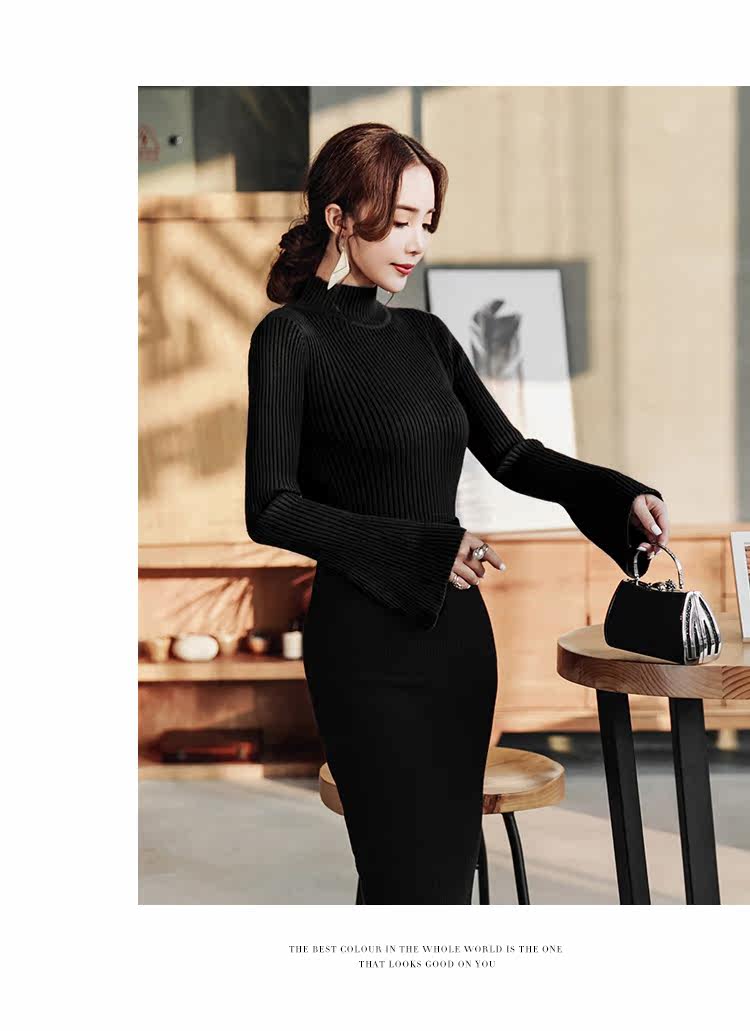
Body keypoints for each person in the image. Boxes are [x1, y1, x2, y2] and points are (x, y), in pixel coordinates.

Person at [244, 122, 670, 904]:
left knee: (445, 879)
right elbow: (270, 508)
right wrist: (422, 547)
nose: (416, 242)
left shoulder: (429, 337)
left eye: (427, 222)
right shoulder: (289, 339)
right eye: (398, 219)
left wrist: (618, 495)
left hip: (457, 648)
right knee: (403, 880)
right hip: (363, 651)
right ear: (340, 218)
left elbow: (513, 455)